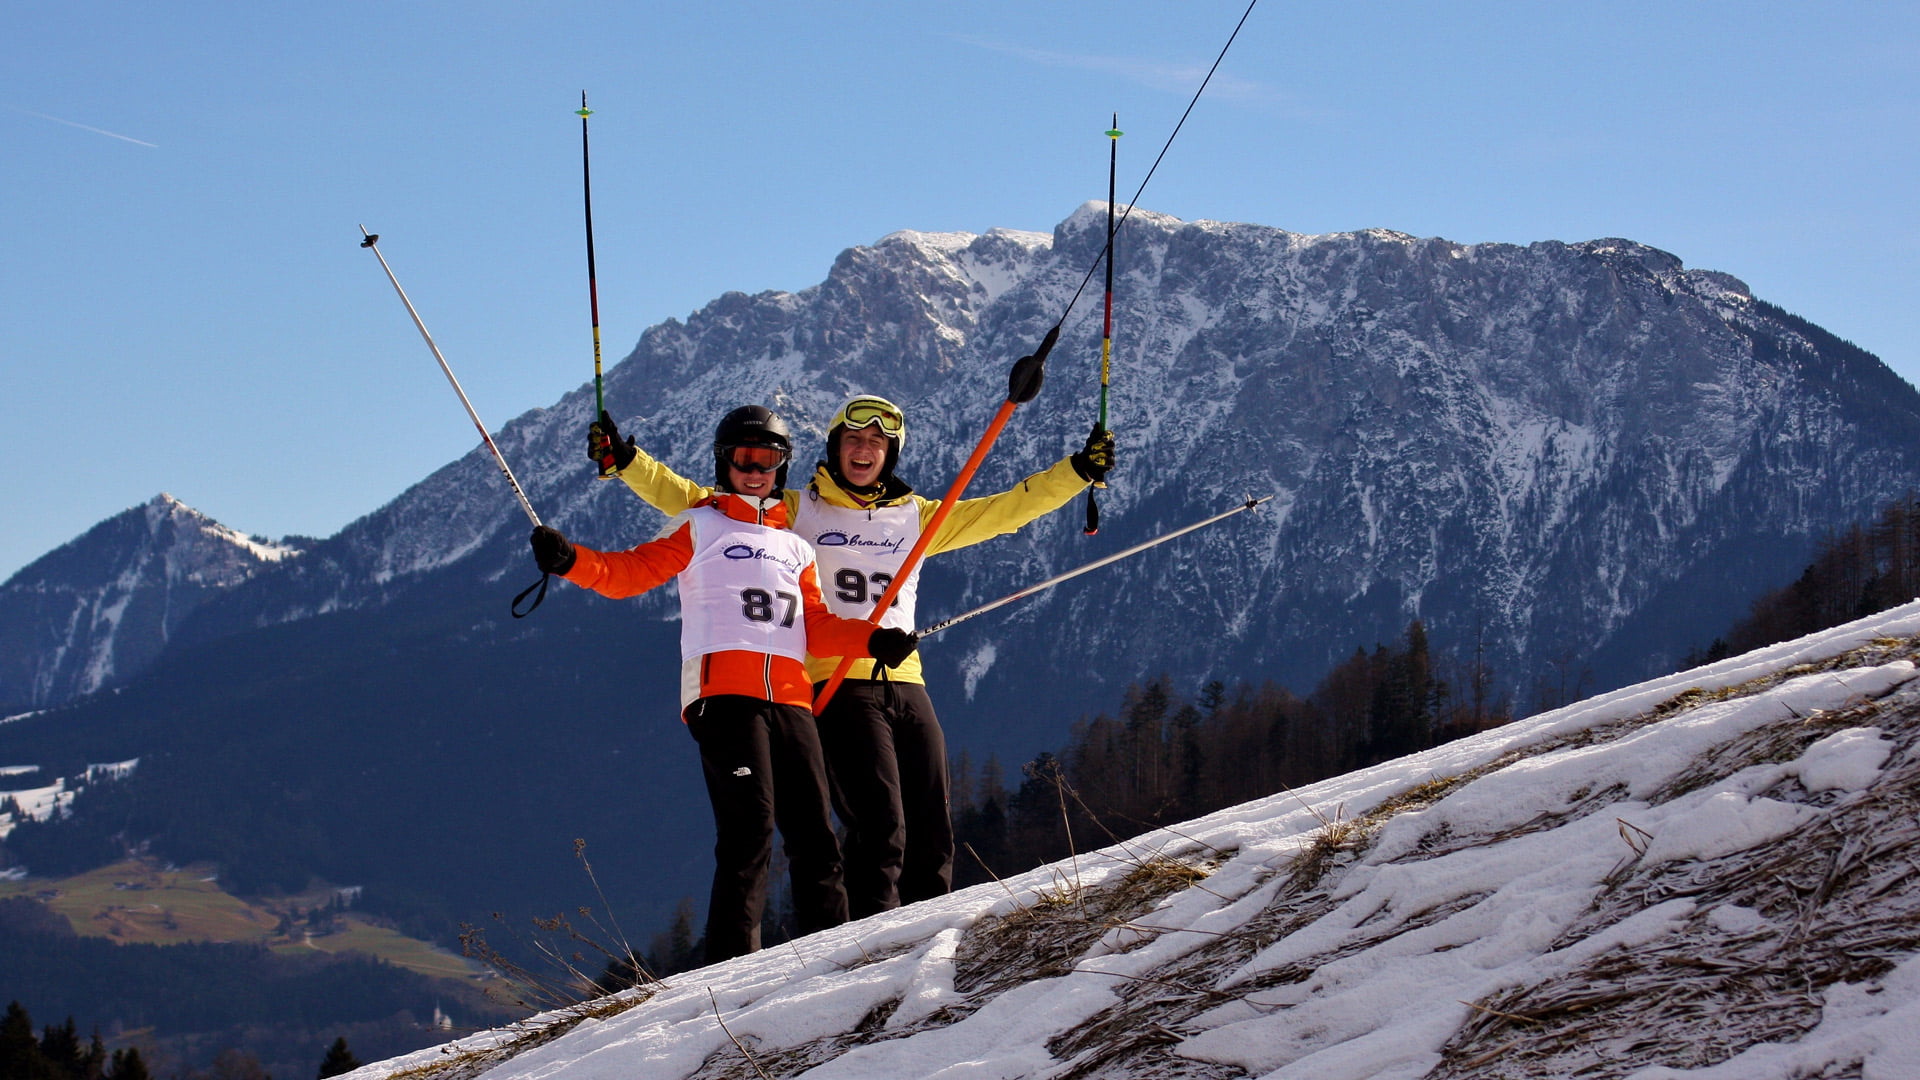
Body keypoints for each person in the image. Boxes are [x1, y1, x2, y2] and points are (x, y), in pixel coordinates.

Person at [588, 395, 1115, 918]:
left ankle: (930, 937)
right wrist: (629, 463)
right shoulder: (795, 510)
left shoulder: (918, 517)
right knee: (881, 826)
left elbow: (1004, 511)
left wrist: (1075, 472)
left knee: (932, 824)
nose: (864, 450)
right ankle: (870, 946)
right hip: (836, 682)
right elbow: (699, 501)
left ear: (891, 454)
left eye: (877, 443)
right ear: (834, 447)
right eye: (853, 440)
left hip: (907, 681)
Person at [535, 404, 920, 962]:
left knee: (815, 834)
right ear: (725, 461)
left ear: (783, 466)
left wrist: (873, 639)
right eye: (745, 457)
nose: (756, 469)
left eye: (768, 458)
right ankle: (732, 966)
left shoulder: (797, 546)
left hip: (792, 701)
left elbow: (817, 624)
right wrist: (571, 561)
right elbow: (627, 575)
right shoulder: (701, 523)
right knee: (750, 832)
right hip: (725, 697)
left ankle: (838, 958)